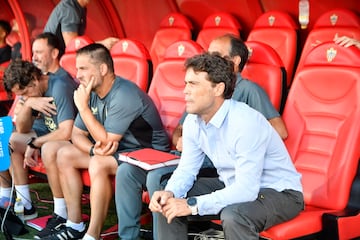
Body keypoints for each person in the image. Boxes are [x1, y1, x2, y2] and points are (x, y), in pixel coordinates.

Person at [146, 33, 289, 239]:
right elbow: (184, 151)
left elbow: (249, 187)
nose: (185, 91)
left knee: (232, 214)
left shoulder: (246, 105)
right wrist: (171, 190)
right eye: (186, 83)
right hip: (216, 170)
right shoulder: (197, 108)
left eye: (193, 84)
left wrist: (192, 205)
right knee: (166, 193)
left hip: (256, 180)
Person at [41, 43, 169, 240]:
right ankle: (74, 225)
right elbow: (76, 134)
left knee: (98, 163)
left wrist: (83, 109)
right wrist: (93, 149)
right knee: (64, 154)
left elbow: (107, 140)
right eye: (77, 69)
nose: (78, 75)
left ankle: (92, 235)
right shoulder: (91, 92)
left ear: (102, 69)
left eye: (83, 68)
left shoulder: (124, 93)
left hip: (148, 154)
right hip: (120, 151)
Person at [3, 32, 77, 221]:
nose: (25, 96)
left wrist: (35, 143)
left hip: (66, 139)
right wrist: (28, 103)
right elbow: (22, 129)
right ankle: (23, 204)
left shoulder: (60, 84)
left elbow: (67, 131)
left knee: (38, 146)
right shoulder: (34, 88)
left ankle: (61, 213)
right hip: (46, 132)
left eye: (25, 92)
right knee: (7, 138)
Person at [44, 0, 119, 57]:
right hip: (52, 62)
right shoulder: (69, 9)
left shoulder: (80, 8)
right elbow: (73, 46)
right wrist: (102, 44)